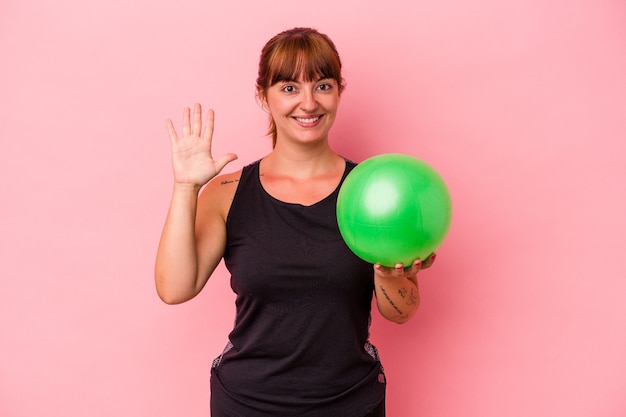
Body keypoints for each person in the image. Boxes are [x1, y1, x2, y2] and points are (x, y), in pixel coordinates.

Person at [155, 27, 435, 417]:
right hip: (245, 403)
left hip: (350, 403)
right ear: (263, 96)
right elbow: (174, 288)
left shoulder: (371, 193)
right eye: (289, 88)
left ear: (339, 91)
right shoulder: (228, 193)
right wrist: (186, 187)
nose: (308, 103)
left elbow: (401, 312)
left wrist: (391, 274)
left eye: (322, 85)